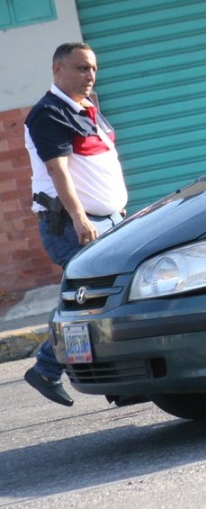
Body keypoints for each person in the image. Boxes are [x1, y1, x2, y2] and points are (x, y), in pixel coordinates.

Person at [23, 43, 128, 406]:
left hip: (107, 221)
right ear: (58, 70)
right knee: (87, 303)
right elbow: (59, 171)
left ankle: (106, 379)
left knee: (101, 300)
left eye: (93, 68)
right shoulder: (48, 113)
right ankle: (50, 369)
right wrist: (82, 218)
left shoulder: (87, 108)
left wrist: (117, 212)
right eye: (81, 68)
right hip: (72, 226)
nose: (90, 76)